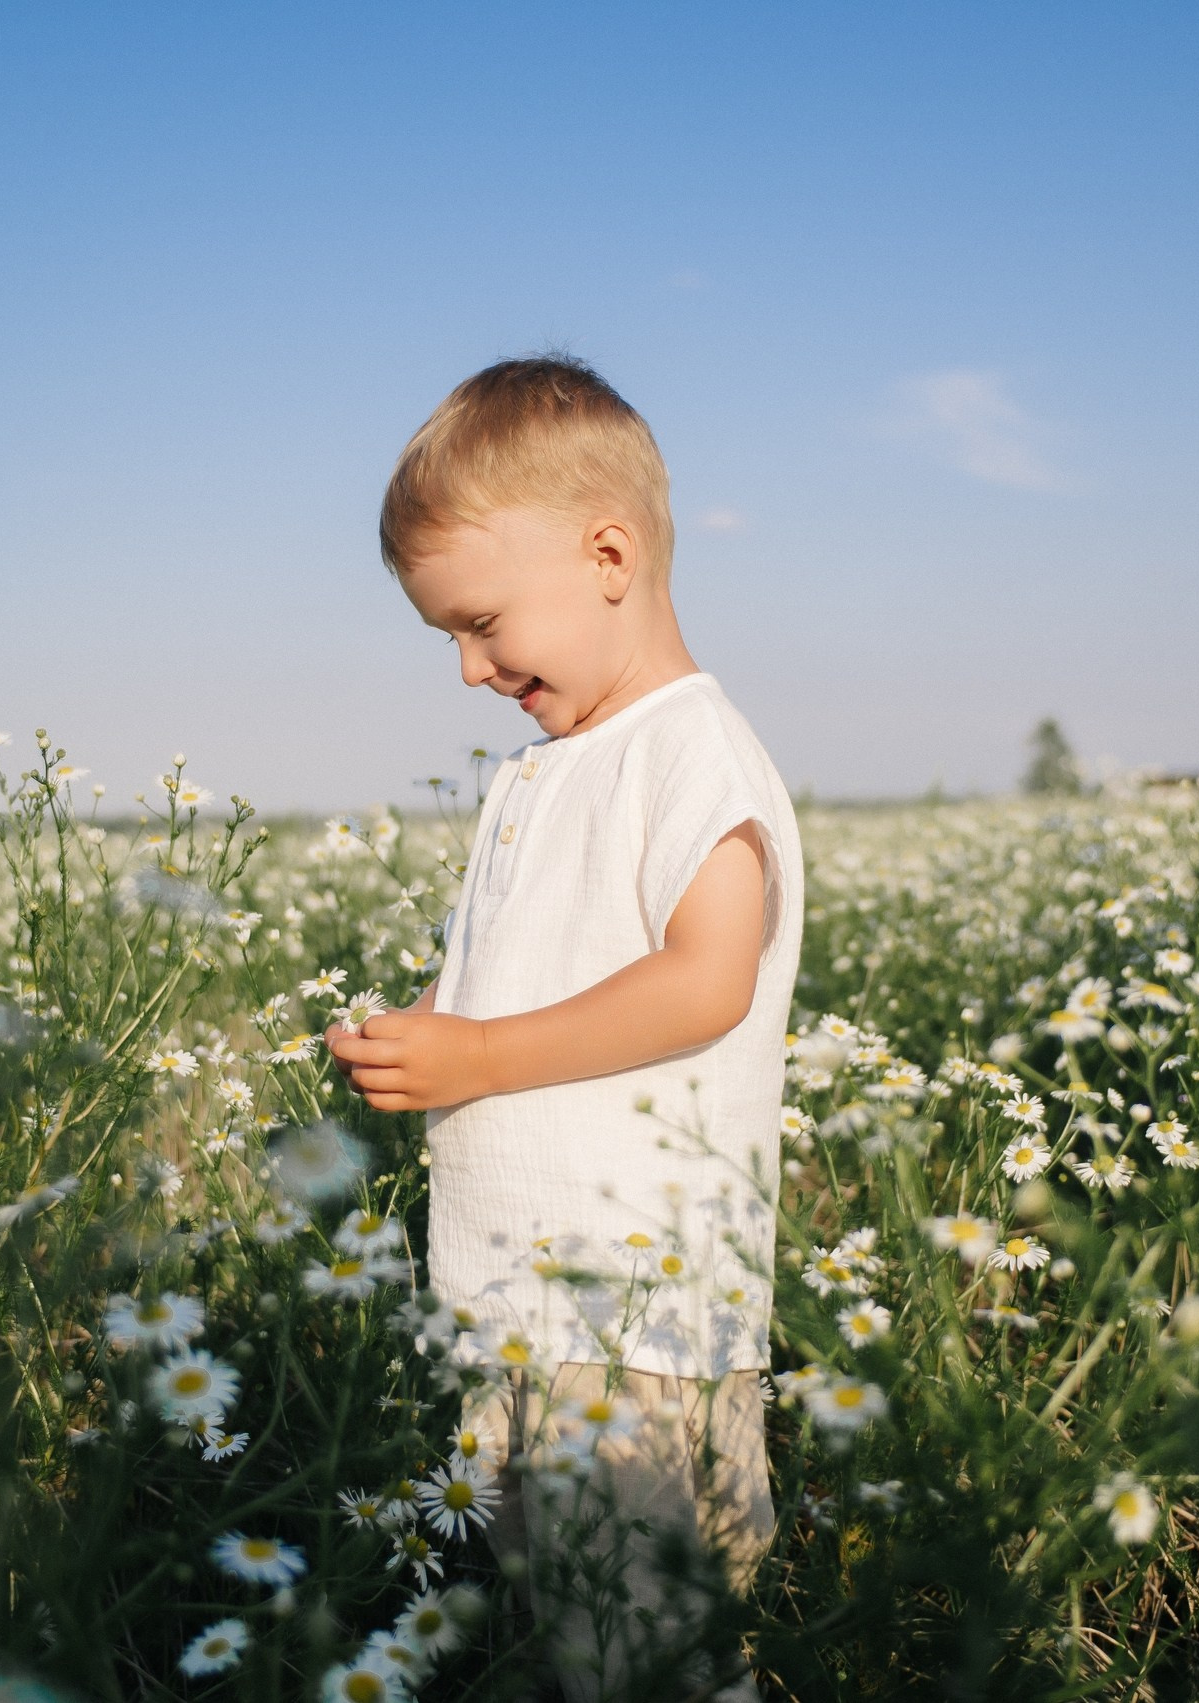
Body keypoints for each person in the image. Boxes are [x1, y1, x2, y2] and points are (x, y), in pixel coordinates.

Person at [326, 355, 803, 1700]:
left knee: (650, 1656)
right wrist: (433, 1031)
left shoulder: (688, 749)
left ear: (609, 553)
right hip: (520, 1311)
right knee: (552, 1635)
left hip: (639, 1331)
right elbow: (542, 968)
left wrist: (479, 1056)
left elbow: (706, 977)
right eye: (449, 641)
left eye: (480, 625)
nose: (471, 671)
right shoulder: (550, 765)